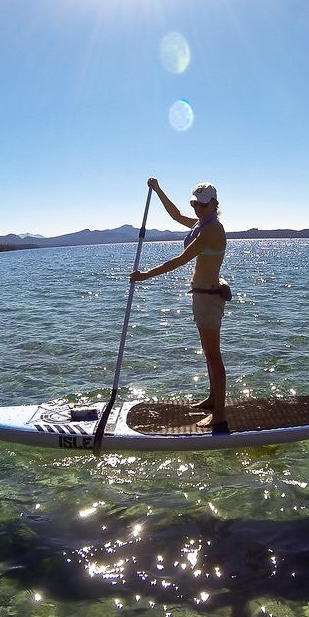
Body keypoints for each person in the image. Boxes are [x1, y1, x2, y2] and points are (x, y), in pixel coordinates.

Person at [129, 178, 230, 432]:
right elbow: (175, 215)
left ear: (214, 204)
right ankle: (212, 399)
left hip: (209, 298)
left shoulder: (211, 230)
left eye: (203, 205)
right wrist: (158, 189)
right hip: (202, 295)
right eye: (195, 204)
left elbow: (180, 259)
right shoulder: (200, 224)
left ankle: (219, 415)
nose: (198, 209)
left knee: (214, 356)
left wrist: (146, 275)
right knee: (208, 354)